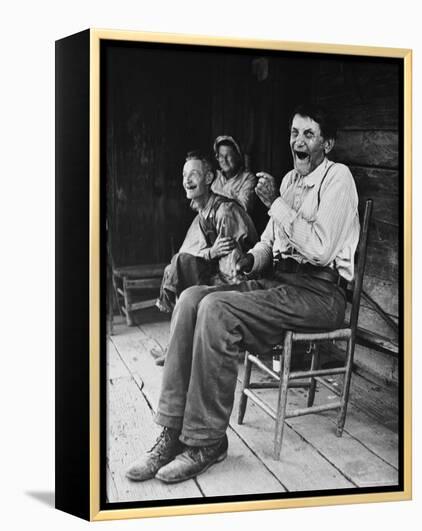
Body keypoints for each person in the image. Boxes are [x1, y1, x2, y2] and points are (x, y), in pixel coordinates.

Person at [126, 104, 360, 484]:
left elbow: (318, 248)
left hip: (320, 294)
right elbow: (272, 240)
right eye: (294, 133)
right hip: (281, 283)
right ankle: (171, 432)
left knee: (217, 309)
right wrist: (249, 260)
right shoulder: (288, 181)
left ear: (327, 144)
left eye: (308, 135)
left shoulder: (338, 180)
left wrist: (275, 206)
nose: (297, 141)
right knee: (190, 300)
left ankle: (207, 441)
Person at [155, 151, 258, 315]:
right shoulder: (203, 212)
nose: (187, 180)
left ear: (209, 178)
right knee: (178, 263)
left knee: (186, 278)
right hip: (220, 274)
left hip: (243, 284)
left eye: (193, 174)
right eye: (184, 175)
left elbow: (232, 272)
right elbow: (188, 252)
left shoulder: (225, 211)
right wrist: (211, 253)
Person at [211, 135, 256, 213]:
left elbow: (244, 207)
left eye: (228, 156)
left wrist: (216, 200)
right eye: (221, 156)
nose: (224, 160)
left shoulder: (248, 178)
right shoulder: (214, 176)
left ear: (237, 157)